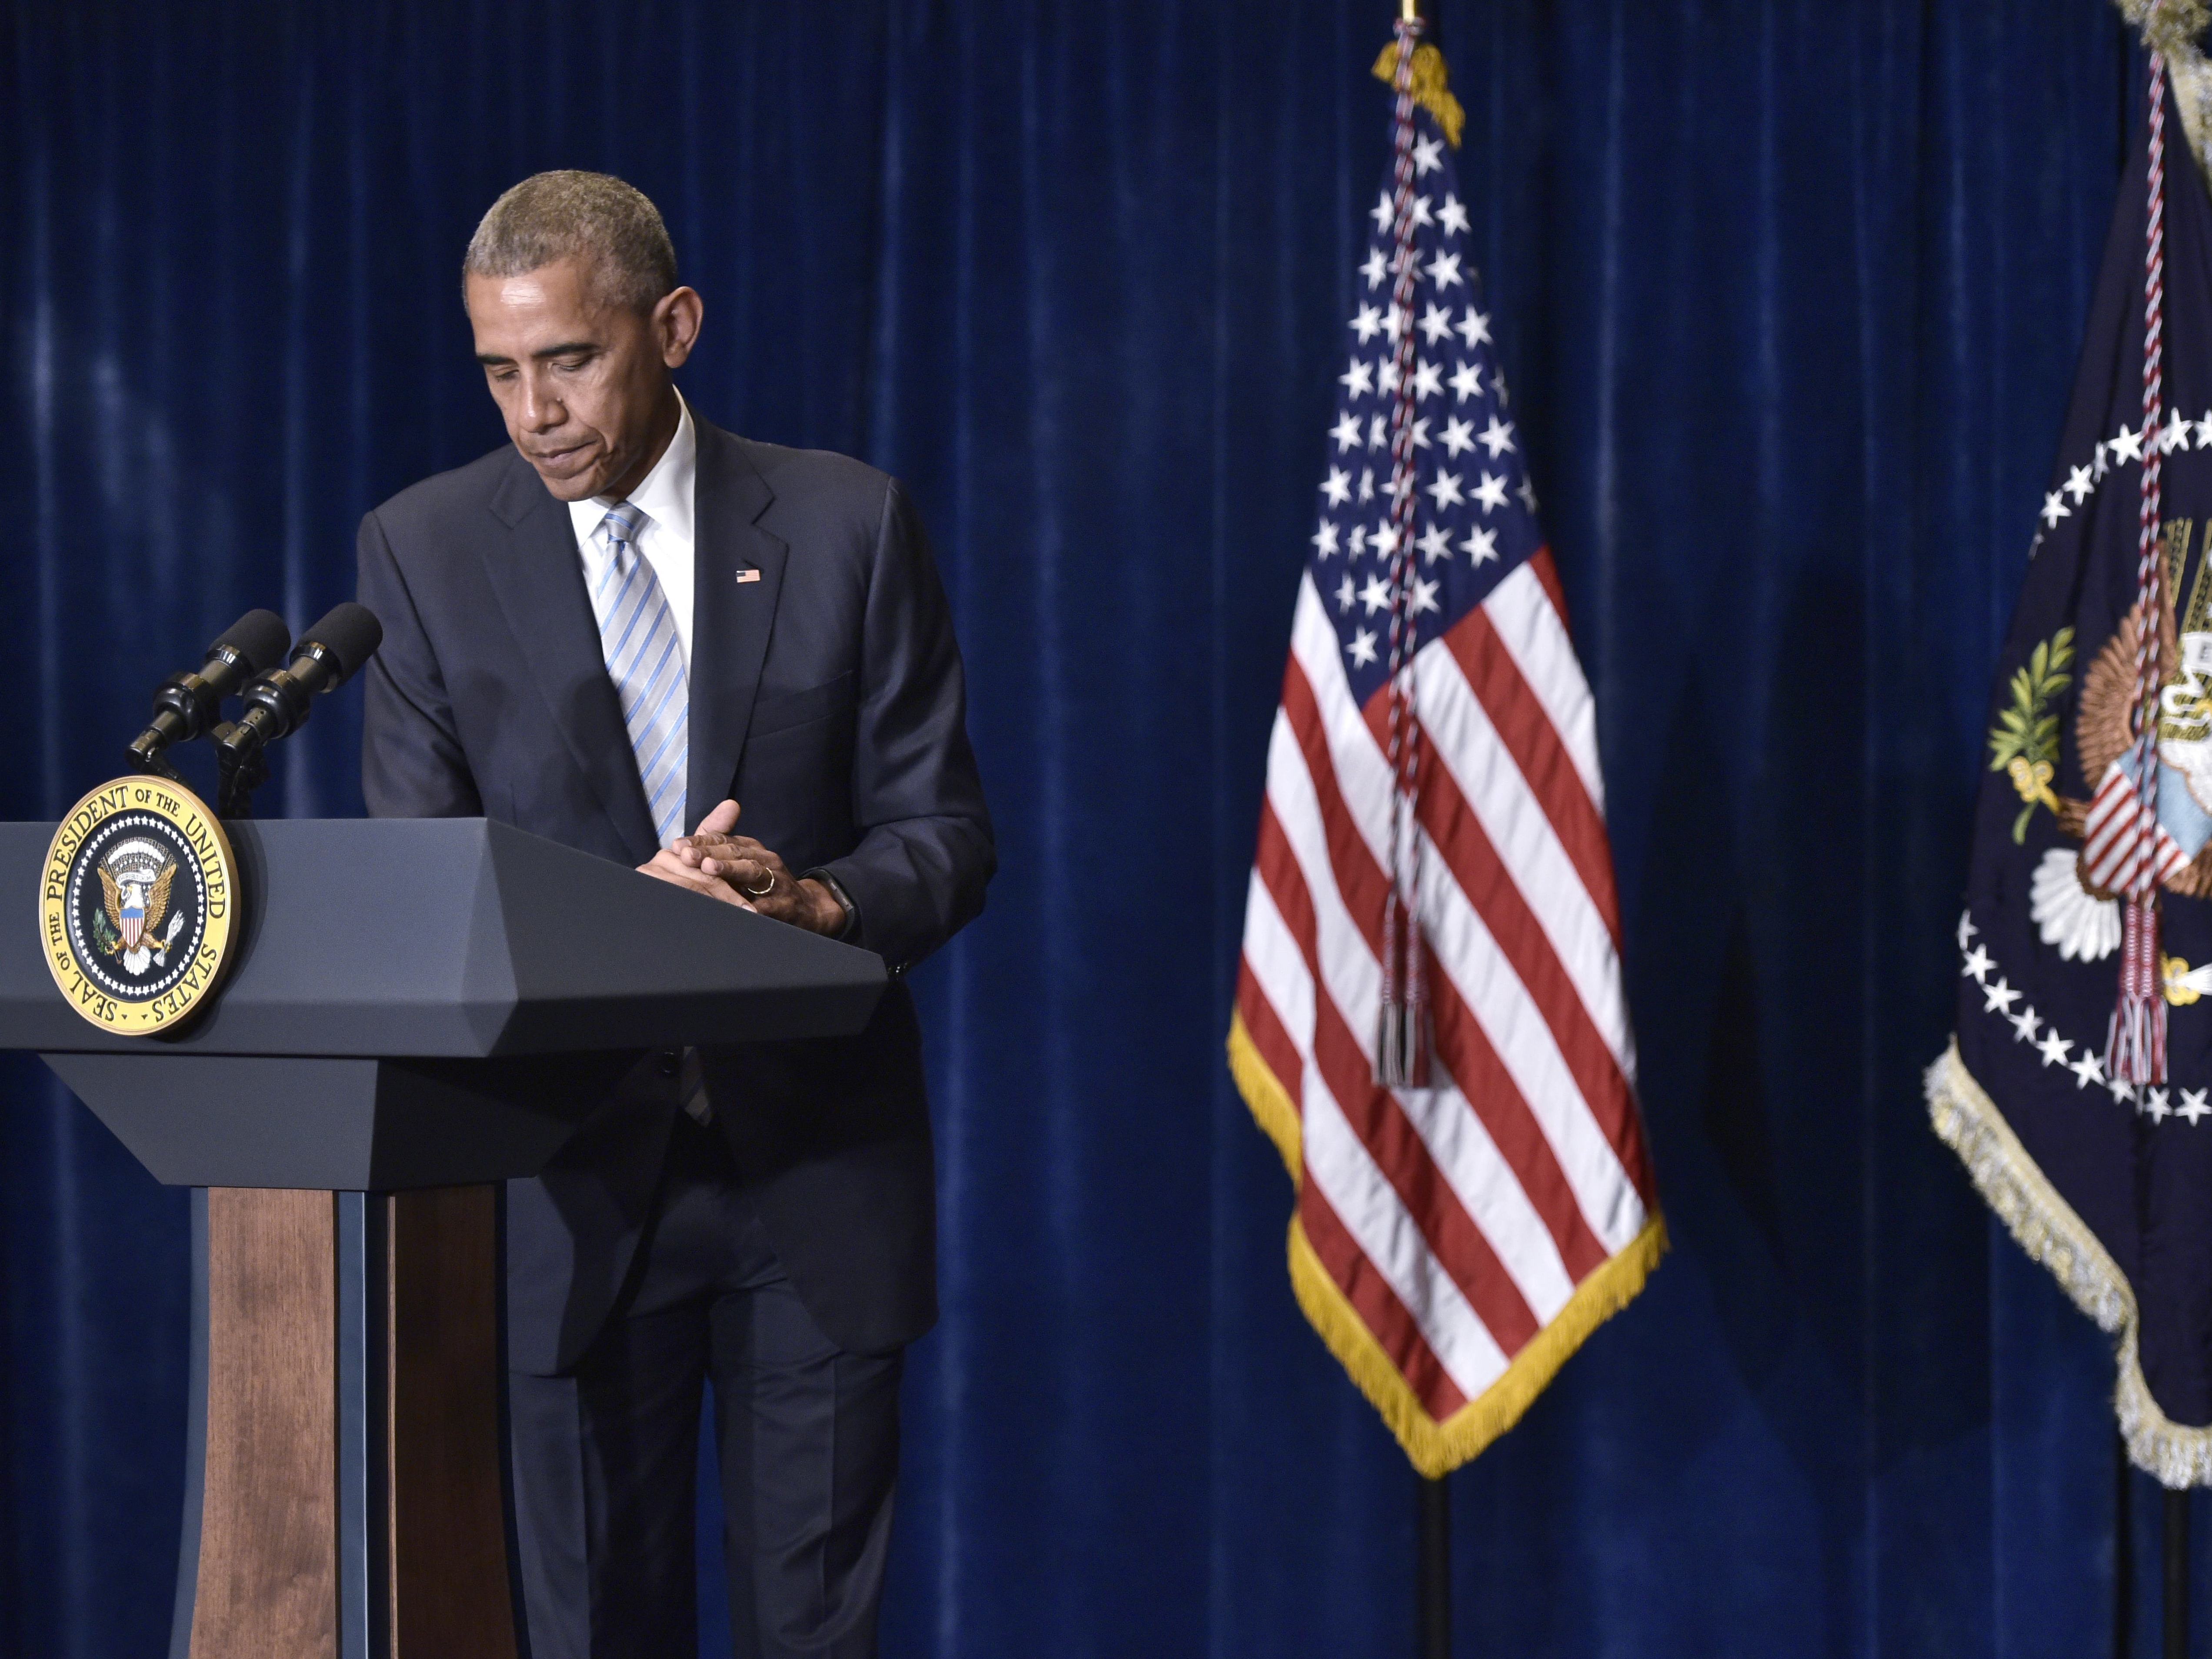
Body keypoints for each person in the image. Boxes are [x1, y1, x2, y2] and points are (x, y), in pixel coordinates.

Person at [356, 170, 993, 1659]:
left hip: (813, 1179)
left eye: (569, 359)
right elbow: (421, 882)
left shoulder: (844, 523)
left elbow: (949, 835)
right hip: (570, 1192)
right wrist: (606, 924)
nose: (535, 413)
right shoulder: (425, 552)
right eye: (501, 372)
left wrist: (823, 900)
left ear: (675, 327)